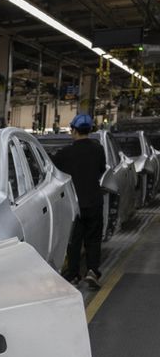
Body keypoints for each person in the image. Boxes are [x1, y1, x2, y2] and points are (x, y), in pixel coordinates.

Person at [53, 113, 106, 288]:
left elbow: (54, 174)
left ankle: (74, 274)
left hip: (74, 204)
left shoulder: (65, 153)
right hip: (94, 201)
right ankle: (92, 271)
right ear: (89, 130)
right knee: (93, 239)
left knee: (74, 240)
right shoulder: (98, 149)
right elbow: (101, 170)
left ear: (73, 130)